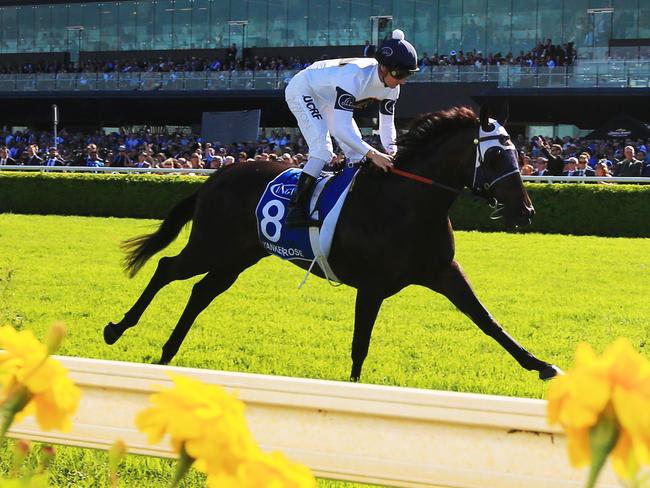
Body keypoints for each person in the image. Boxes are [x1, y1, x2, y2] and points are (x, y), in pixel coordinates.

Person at [284, 29, 418, 226]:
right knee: (322, 150)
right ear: (383, 68)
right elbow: (340, 128)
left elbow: (387, 125)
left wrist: (392, 153)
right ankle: (295, 210)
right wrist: (374, 155)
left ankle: (347, 209)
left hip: (328, 96)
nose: (403, 81)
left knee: (355, 155)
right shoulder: (355, 77)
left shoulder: (393, 88)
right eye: (400, 74)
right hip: (304, 89)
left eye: (408, 75)